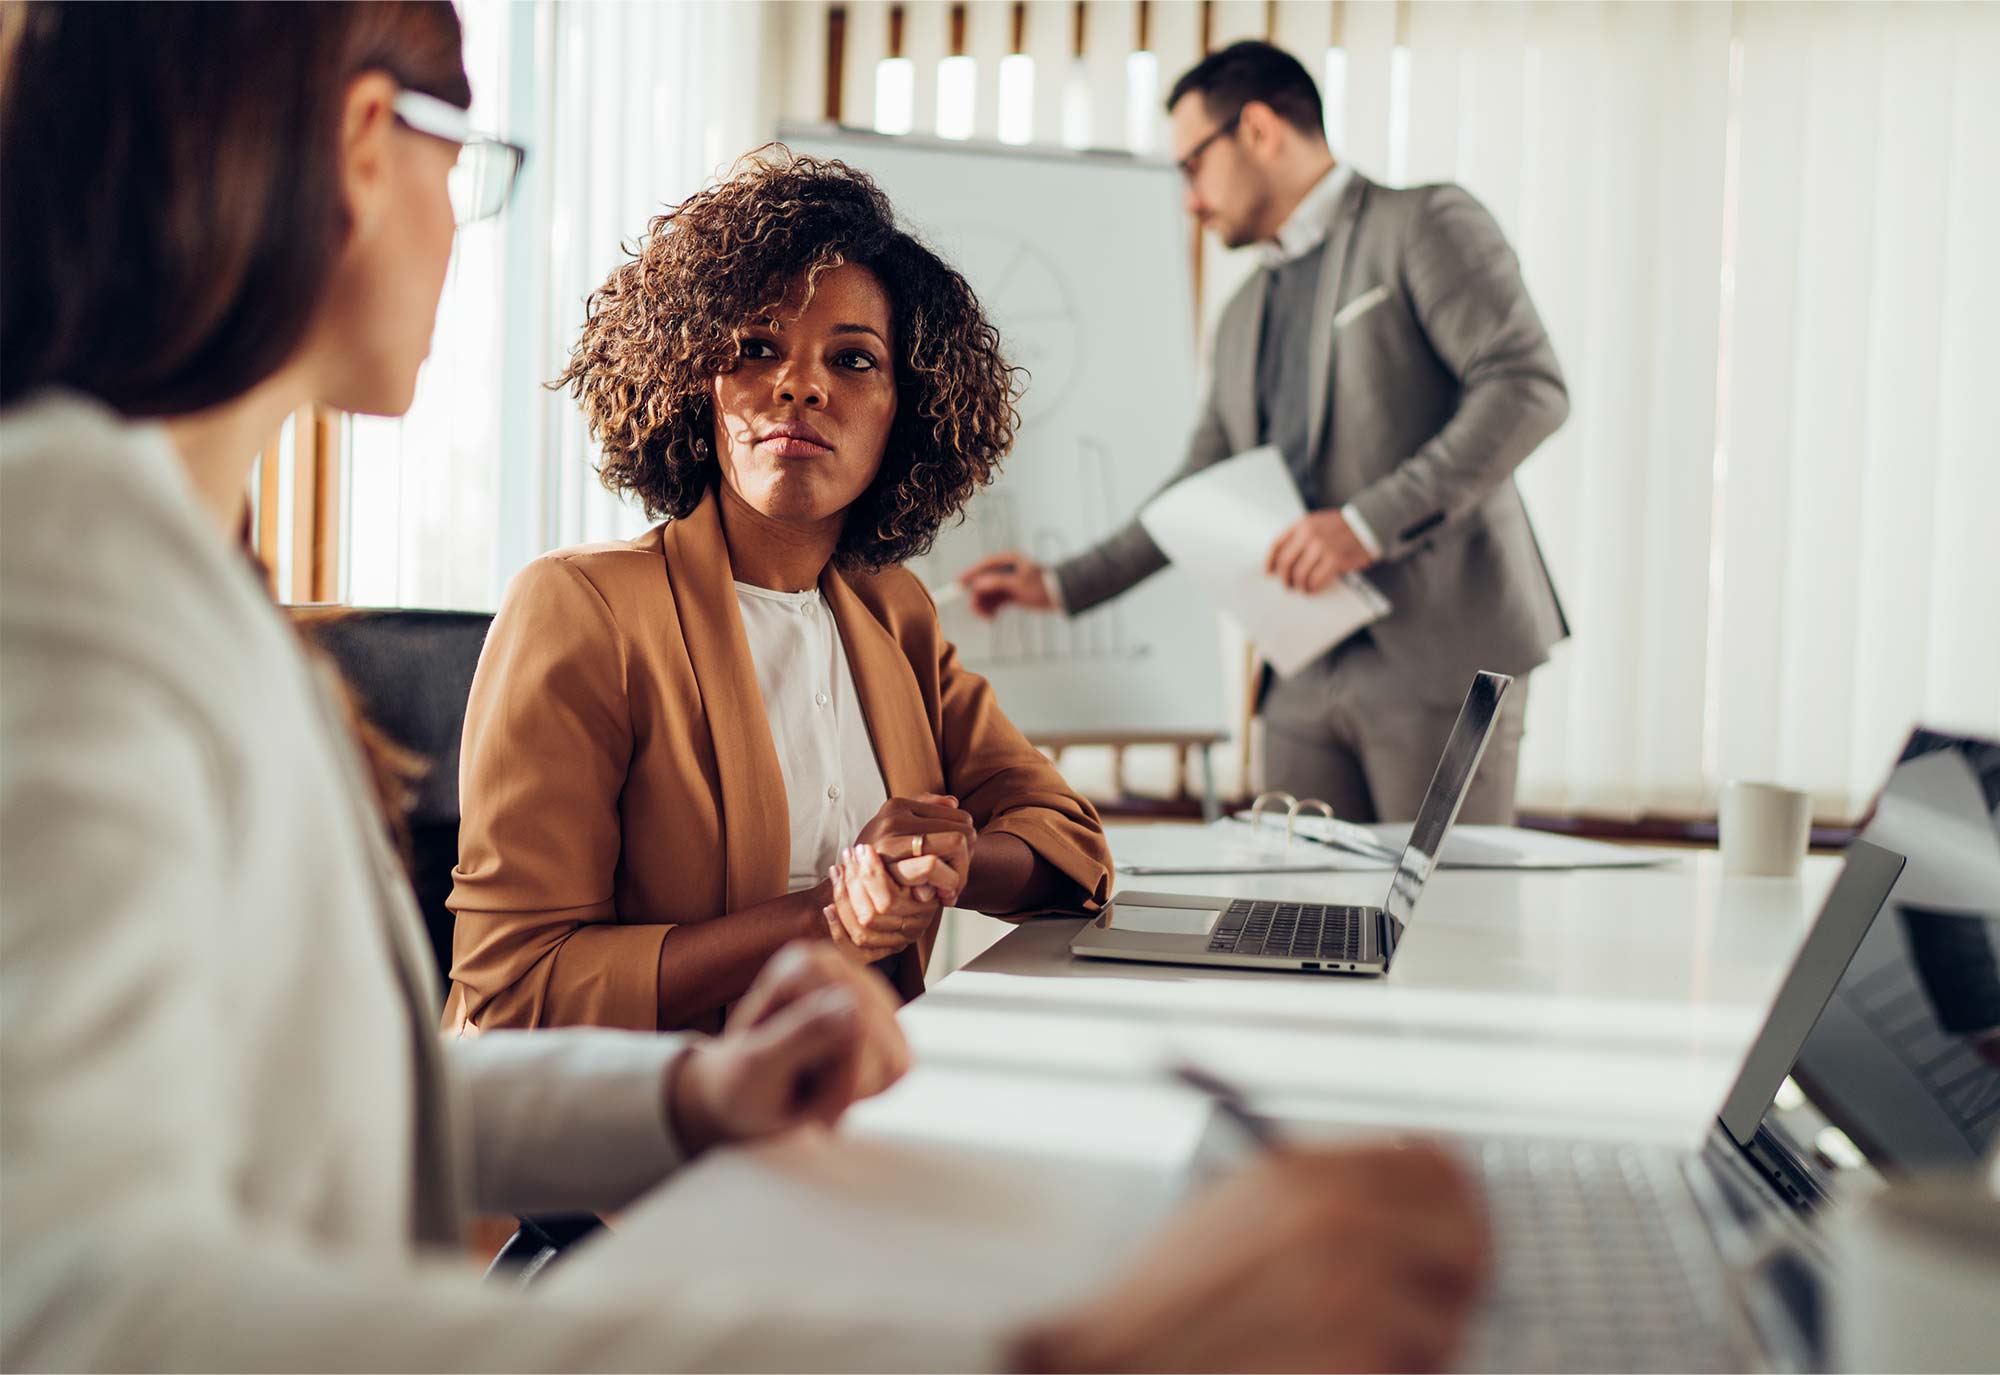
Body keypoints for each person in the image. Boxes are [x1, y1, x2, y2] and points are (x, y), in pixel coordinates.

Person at [1, 5, 1492, 1371]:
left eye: (851, 361)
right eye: (474, 163)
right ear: (364, 143)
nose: (462, 220)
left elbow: (335, 1103)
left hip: (768, 1171)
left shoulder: (172, 574)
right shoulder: (71, 595)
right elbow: (78, 1299)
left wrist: (697, 1096)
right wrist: (1028, 1355)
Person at [442, 155, 1114, 1036]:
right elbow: (513, 991)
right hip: (646, 1136)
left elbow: (1068, 839)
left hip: (864, 1102)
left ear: (901, 411)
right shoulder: (581, 609)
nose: (801, 385)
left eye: (853, 359)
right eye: (756, 349)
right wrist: (825, 918)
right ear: (696, 379)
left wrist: (954, 859)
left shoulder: (892, 612)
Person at [959, 40, 1569, 825]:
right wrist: (1064, 583)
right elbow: (1200, 480)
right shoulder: (1244, 310)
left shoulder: (1424, 223)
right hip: (1300, 674)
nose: (1189, 199)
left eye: (1191, 167)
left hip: (1438, 662)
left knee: (1443, 934)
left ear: (1258, 130)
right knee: (1297, 924)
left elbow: (1528, 387)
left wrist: (1363, 527)